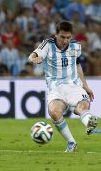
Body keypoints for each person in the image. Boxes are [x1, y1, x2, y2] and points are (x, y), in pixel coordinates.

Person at [28, 21, 98, 152]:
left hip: (74, 86)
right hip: (56, 89)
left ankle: (89, 121)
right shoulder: (47, 44)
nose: (65, 41)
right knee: (55, 112)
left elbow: (77, 65)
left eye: (68, 37)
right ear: (56, 34)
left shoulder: (76, 46)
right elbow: (32, 55)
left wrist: (86, 86)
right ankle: (72, 143)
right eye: (62, 37)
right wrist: (34, 59)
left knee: (82, 106)